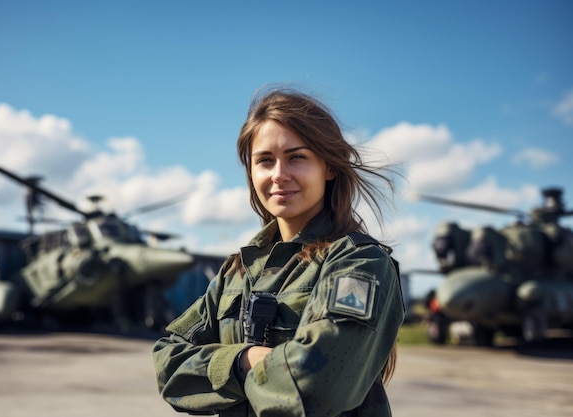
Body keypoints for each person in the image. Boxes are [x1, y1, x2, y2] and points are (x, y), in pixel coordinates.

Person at [152, 86, 405, 417]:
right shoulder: (237, 272)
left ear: (329, 167)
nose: (279, 175)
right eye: (265, 161)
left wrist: (220, 373)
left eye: (297, 157)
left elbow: (319, 385)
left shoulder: (358, 263)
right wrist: (245, 360)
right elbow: (168, 365)